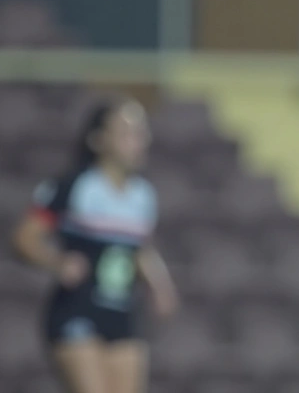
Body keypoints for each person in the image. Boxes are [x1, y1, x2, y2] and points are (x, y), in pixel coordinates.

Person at [12, 98, 179, 393]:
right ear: (100, 140)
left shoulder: (143, 196)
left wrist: (159, 284)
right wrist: (56, 262)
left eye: (141, 133)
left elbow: (138, 249)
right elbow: (25, 237)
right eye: (128, 133)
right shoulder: (75, 186)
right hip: (78, 308)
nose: (139, 141)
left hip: (121, 311)